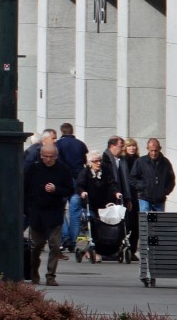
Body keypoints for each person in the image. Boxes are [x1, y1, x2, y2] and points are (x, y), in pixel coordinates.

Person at [24, 142, 71, 285]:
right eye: (45, 156)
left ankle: (51, 275)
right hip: (37, 212)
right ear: (41, 156)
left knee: (55, 245)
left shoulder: (63, 169)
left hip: (54, 212)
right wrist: (26, 210)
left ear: (56, 156)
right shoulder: (34, 168)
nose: (48, 159)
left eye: (51, 157)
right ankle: (34, 273)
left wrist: (56, 190)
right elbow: (25, 189)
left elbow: (69, 190)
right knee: (36, 246)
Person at [133, 138, 175, 287]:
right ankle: (144, 259)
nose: (153, 153)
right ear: (147, 149)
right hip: (145, 198)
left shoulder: (165, 163)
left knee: (158, 231)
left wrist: (165, 191)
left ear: (160, 149)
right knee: (146, 229)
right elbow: (133, 178)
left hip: (158, 199)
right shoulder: (141, 162)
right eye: (151, 150)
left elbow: (171, 179)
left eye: (156, 150)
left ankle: (156, 265)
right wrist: (142, 187)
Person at [76, 151, 121, 263]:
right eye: (95, 161)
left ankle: (100, 251)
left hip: (103, 204)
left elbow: (112, 184)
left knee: (101, 228)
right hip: (89, 204)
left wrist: (116, 192)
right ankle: (83, 249)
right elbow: (80, 185)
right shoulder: (85, 172)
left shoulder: (105, 171)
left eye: (100, 160)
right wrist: (82, 192)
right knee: (88, 225)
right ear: (89, 162)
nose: (98, 163)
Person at [57, 122, 89, 254]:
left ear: (62, 131)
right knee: (75, 212)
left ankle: (65, 237)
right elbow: (84, 161)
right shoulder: (80, 144)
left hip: (63, 181)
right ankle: (74, 240)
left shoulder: (58, 144)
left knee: (60, 210)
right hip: (77, 180)